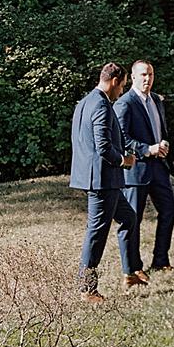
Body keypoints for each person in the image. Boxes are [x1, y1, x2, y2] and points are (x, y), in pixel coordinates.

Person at [69, 60, 144, 301]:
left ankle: (131, 272)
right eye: (122, 86)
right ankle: (86, 289)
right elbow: (102, 146)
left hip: (101, 179)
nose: (121, 91)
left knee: (129, 218)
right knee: (97, 233)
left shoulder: (84, 102)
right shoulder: (100, 105)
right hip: (102, 180)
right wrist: (124, 160)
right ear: (114, 82)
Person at [115, 59, 174, 276]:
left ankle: (161, 260)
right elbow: (122, 138)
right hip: (136, 171)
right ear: (133, 77)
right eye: (143, 75)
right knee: (133, 219)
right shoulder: (125, 103)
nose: (147, 79)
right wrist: (146, 149)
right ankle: (134, 268)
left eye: (150, 74)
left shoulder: (157, 100)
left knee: (170, 210)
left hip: (159, 167)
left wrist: (163, 145)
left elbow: (160, 130)